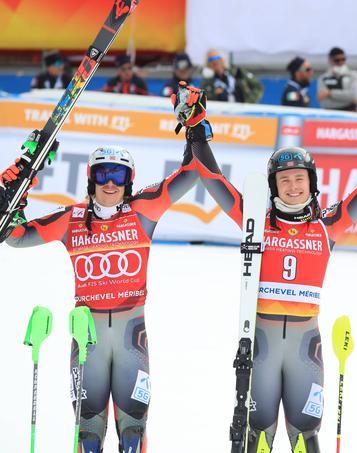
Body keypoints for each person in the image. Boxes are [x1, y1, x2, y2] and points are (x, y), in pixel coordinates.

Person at [0, 83, 218, 453]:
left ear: (129, 180)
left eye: (119, 175)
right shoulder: (72, 220)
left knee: (132, 433)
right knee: (88, 438)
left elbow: (192, 173)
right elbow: (14, 235)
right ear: (91, 179)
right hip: (88, 341)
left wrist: (195, 124)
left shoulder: (143, 210)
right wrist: (19, 177)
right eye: (103, 175)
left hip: (133, 338)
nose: (111, 183)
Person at [196, 104, 357, 452]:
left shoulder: (326, 226)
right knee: (257, 435)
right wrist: (196, 130)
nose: (293, 186)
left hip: (305, 347)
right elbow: (213, 180)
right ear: (273, 185)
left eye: (300, 178)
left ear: (311, 183)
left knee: (305, 437)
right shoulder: (256, 220)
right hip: (261, 345)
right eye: (284, 179)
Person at [316, 47, 357, 111]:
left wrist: (329, 93)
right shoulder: (323, 78)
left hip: (350, 111)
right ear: (330, 60)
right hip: (329, 113)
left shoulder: (354, 75)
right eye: (337, 60)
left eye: (343, 59)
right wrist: (346, 98)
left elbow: (353, 96)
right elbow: (323, 101)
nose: (341, 62)